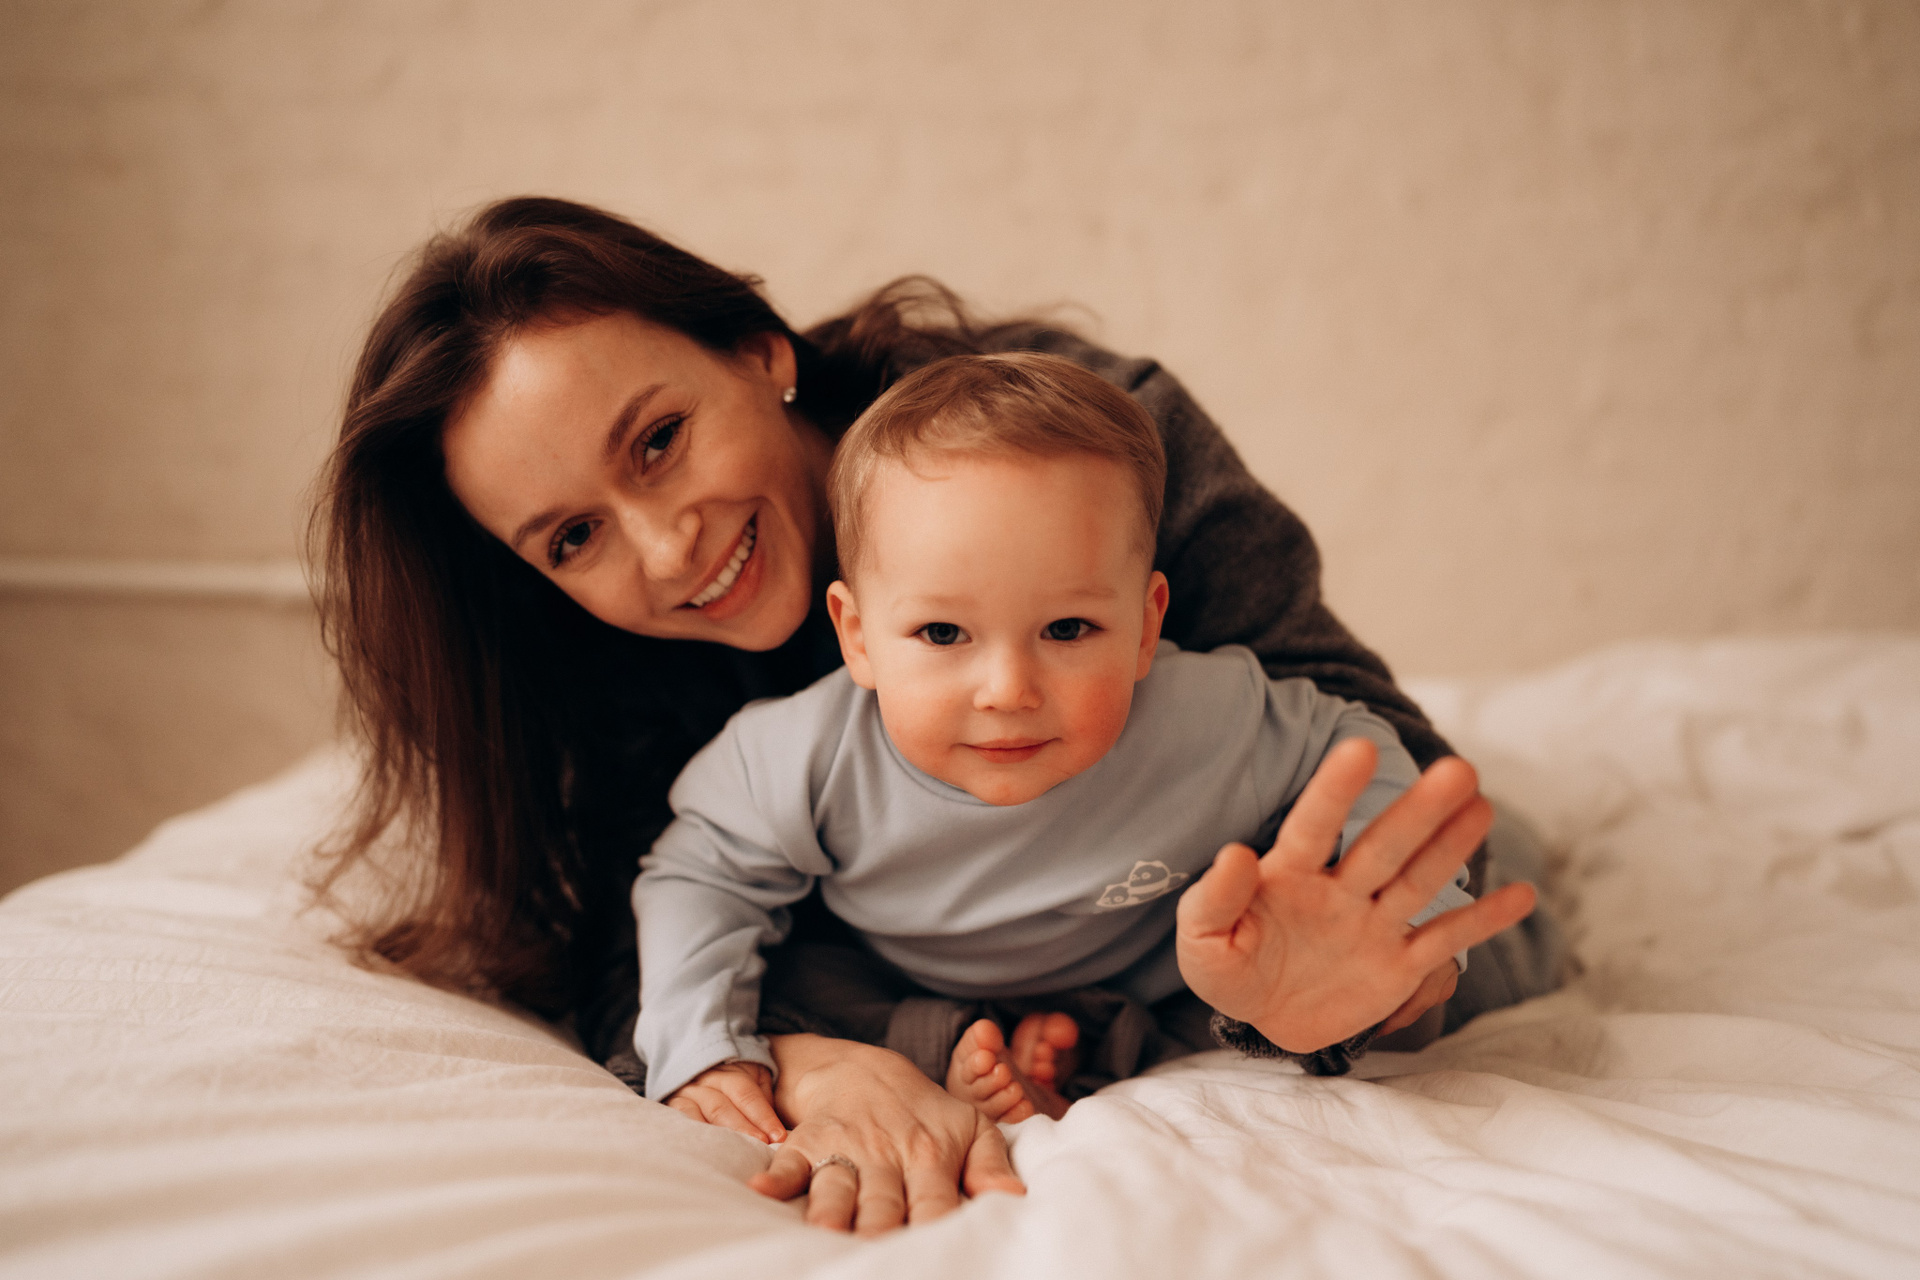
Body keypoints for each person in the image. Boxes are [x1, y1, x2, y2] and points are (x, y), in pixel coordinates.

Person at [312, 195, 1562, 1234]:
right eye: (572, 536)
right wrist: (801, 1059)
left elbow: (1377, 759)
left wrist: (1345, 989)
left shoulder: (1081, 449)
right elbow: (640, 932)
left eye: (659, 440)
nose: (665, 545)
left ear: (760, 351)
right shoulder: (614, 668)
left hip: (1178, 909)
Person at [631, 352, 1538, 1132]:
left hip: (1170, 970)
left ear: (1146, 626)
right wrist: (703, 1046)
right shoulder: (801, 759)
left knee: (1460, 968)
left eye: (1068, 630)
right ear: (857, 636)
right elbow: (698, 874)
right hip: (920, 976)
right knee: (806, 984)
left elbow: (1350, 738)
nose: (1008, 690)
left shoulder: (1205, 717)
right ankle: (994, 1047)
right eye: (942, 634)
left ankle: (1103, 1041)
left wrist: (1405, 907)